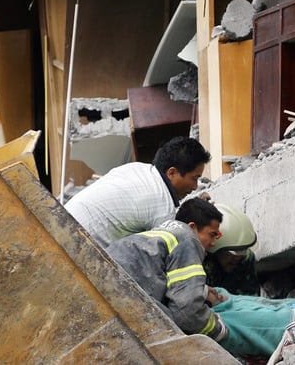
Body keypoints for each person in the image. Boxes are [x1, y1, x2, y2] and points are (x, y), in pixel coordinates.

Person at [106, 198, 229, 341]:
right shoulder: (188, 239)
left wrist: (202, 290)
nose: (213, 243)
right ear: (192, 226)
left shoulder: (161, 233)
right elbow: (186, 312)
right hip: (125, 298)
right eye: (212, 235)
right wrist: (217, 329)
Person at [65, 137, 211, 247]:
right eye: (194, 178)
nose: (194, 186)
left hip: (62, 221)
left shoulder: (137, 169)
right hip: (77, 246)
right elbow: (164, 257)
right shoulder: (161, 207)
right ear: (172, 173)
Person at [205, 203, 261, 296]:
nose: (237, 258)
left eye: (243, 252)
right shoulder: (201, 264)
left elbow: (252, 298)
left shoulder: (246, 259)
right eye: (233, 254)